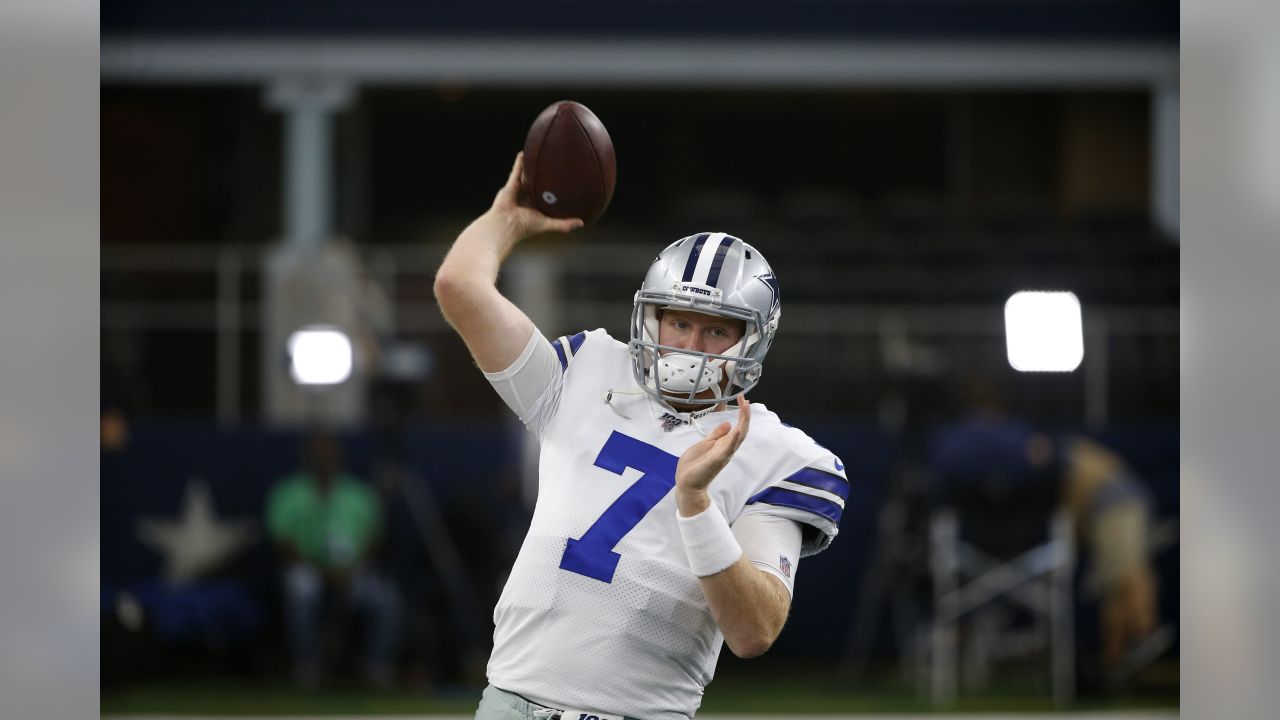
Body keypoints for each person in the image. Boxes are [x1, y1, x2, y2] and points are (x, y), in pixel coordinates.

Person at [434, 154, 850, 720]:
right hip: (508, 704)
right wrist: (506, 220)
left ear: (750, 341)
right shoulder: (586, 370)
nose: (689, 344)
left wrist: (696, 504)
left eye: (715, 330)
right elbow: (459, 287)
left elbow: (754, 631)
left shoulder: (778, 456)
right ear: (649, 319)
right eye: (677, 321)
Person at [930, 383, 1160, 669]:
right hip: (1100, 509)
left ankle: (1138, 640)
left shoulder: (1045, 451)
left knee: (1123, 576)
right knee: (1112, 583)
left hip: (1116, 504)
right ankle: (1117, 659)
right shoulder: (1029, 451)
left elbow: (1069, 494)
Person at [266, 431, 400, 688]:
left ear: (338, 456)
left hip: (353, 571)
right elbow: (282, 541)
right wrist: (321, 571)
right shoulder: (289, 492)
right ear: (308, 457)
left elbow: (374, 538)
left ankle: (377, 668)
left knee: (387, 599)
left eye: (328, 452)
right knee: (301, 591)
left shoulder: (358, 494)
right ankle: (307, 667)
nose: (323, 458)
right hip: (306, 568)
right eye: (318, 453)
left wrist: (353, 569)